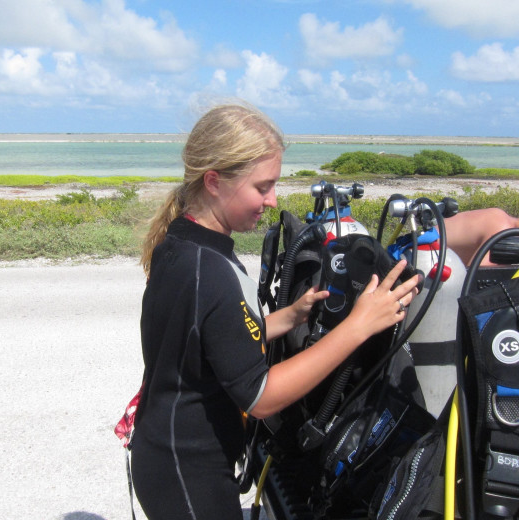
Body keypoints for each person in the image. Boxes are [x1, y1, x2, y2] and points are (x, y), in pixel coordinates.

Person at [130, 102, 420, 520]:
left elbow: (209, 339)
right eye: (262, 186)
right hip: (188, 472)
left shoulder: (182, 244)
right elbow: (261, 396)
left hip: (163, 449)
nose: (272, 200)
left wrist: (288, 317)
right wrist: (358, 326)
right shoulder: (210, 271)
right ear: (214, 181)